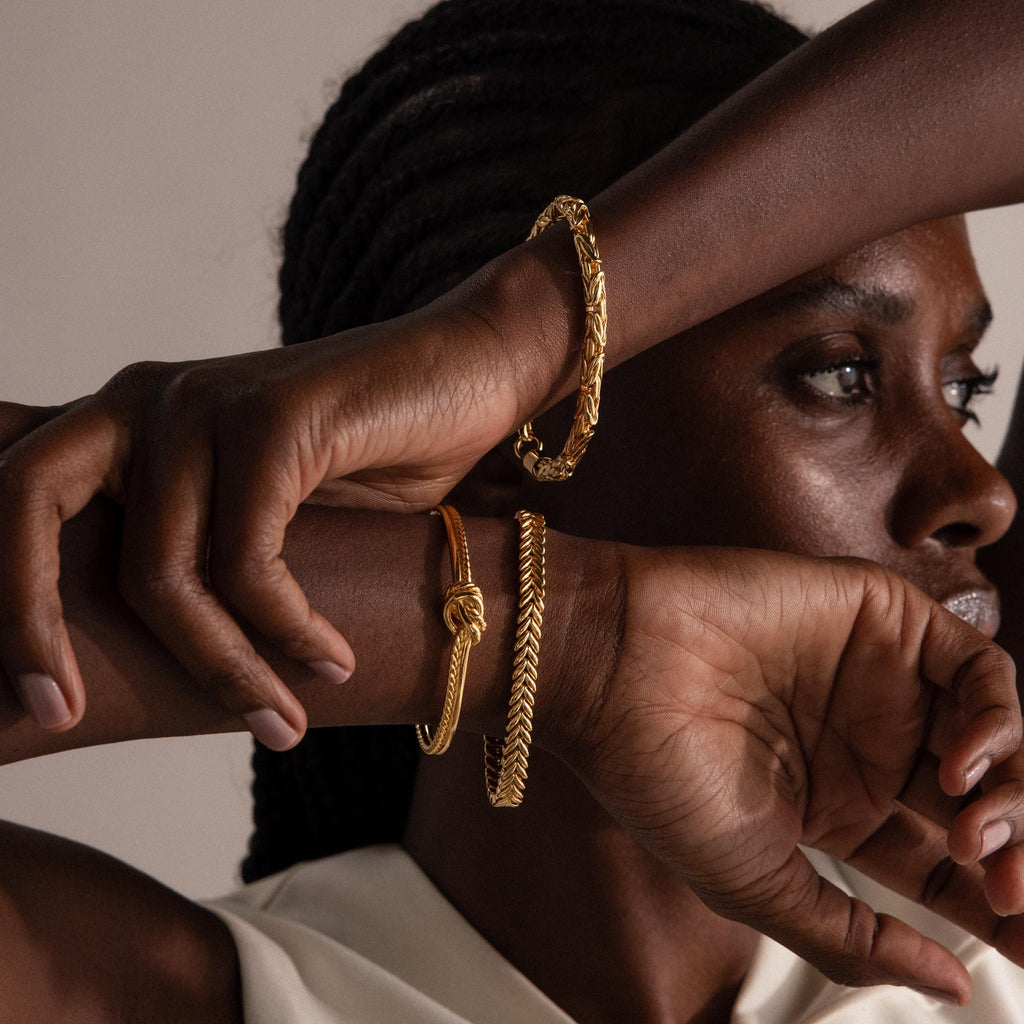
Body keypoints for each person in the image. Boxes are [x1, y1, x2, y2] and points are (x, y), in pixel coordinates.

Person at [3, 0, 1024, 1020]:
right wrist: (571, 633)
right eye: (842, 375)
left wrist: (525, 327)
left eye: (964, 391)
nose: (982, 493)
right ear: (497, 442)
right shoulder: (157, 990)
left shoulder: (997, 940)